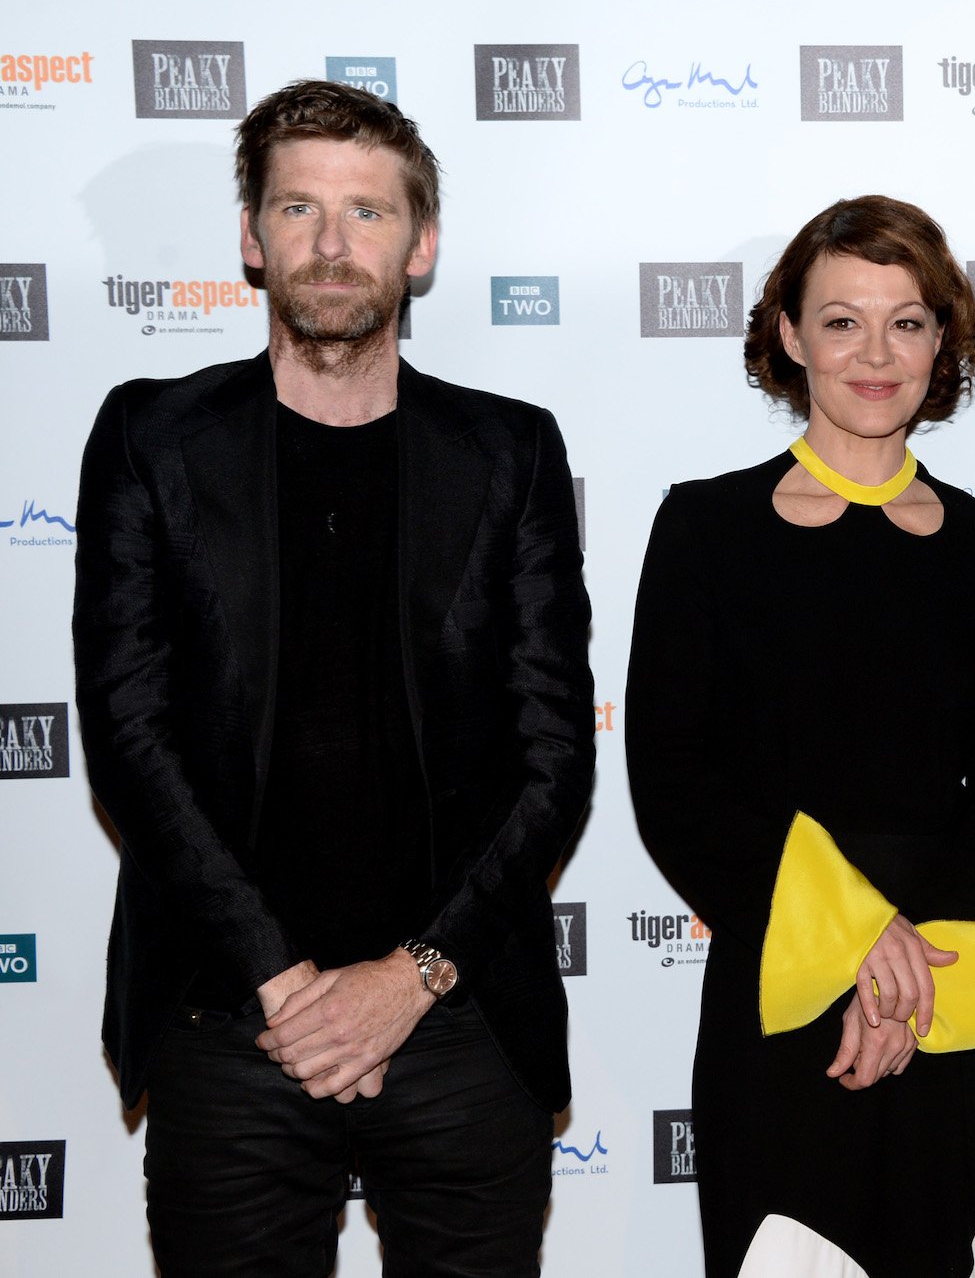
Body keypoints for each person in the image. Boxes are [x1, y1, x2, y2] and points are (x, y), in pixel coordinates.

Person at [72, 79, 594, 1275]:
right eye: (299, 208)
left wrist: (408, 979)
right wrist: (287, 980)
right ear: (251, 239)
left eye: (368, 212)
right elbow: (129, 736)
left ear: (422, 245)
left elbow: (556, 756)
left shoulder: (510, 451)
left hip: (461, 1016)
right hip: (227, 1014)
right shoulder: (152, 440)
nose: (331, 243)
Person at [625, 194, 975, 1278]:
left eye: (907, 321)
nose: (876, 353)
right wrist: (855, 942)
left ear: (942, 342)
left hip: (955, 1003)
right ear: (788, 334)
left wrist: (915, 978)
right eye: (842, 320)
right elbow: (673, 779)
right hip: (782, 1003)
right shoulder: (704, 531)